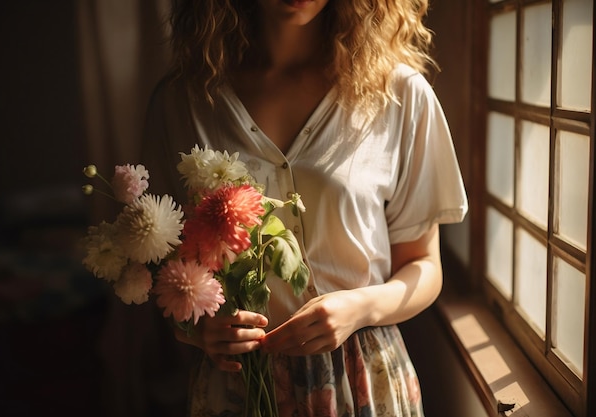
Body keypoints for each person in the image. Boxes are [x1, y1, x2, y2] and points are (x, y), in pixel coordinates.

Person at [142, 0, 468, 415]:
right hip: (238, 387)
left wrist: (359, 308)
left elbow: (424, 264)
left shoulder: (400, 95)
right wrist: (198, 330)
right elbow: (158, 267)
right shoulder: (182, 102)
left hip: (360, 377)